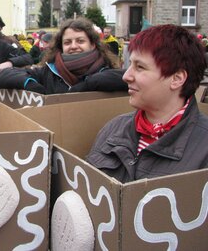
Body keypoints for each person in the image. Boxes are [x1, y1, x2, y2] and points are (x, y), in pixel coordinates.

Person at [86, 24, 208, 183]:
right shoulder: (113, 129)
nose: (126, 76)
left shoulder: (203, 146)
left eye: (140, 67)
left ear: (177, 79)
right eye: (130, 64)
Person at [0, 17, 127, 95]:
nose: (74, 46)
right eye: (67, 42)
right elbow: (3, 75)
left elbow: (130, 79)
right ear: (61, 46)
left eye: (80, 41)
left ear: (92, 44)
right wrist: (31, 85)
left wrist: (89, 84)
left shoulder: (105, 69)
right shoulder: (49, 71)